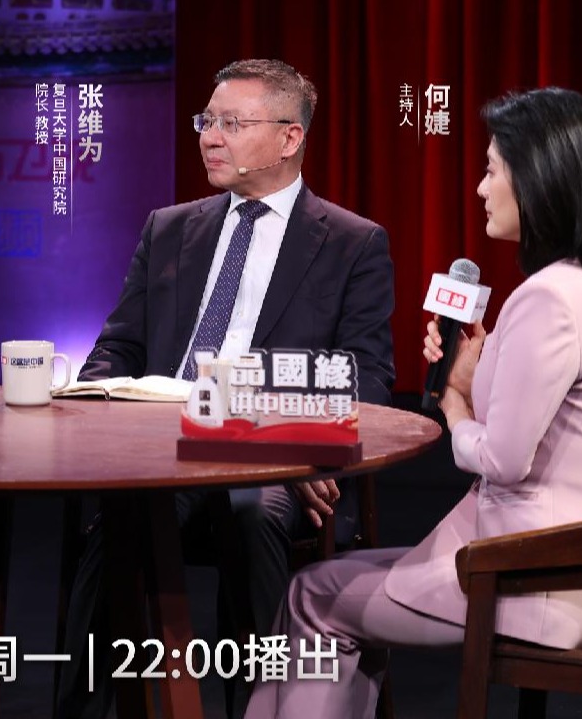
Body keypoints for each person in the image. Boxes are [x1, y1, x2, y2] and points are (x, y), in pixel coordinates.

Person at [244, 86, 582, 719]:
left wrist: (454, 404)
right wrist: (479, 365)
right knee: (338, 586)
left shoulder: (545, 298)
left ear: (539, 180)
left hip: (531, 578)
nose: (481, 189)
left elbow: (505, 459)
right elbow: (546, 425)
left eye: (492, 171)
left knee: (314, 595)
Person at [58, 59, 396, 718]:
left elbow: (366, 379)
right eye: (206, 121)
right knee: (122, 514)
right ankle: (84, 709)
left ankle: (266, 707)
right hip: (163, 447)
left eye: (232, 123)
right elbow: (119, 348)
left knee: (254, 510)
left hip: (270, 460)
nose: (210, 137)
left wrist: (295, 447)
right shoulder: (168, 228)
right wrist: (90, 419)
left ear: (290, 137)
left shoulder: (352, 243)